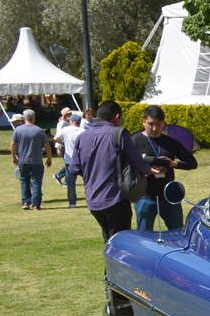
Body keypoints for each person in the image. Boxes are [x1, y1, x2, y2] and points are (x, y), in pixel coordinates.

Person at [65, 100, 161, 242]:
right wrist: (150, 170)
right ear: (116, 117)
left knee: (109, 239)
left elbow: (74, 168)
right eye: (121, 119)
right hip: (115, 198)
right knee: (120, 242)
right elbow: (137, 161)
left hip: (93, 199)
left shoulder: (82, 137)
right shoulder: (119, 134)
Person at [132, 105, 198, 231]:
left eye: (159, 124)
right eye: (151, 124)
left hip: (169, 195)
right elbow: (126, 167)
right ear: (143, 121)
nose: (155, 128)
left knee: (177, 232)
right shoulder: (135, 141)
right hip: (145, 196)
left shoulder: (171, 142)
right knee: (145, 235)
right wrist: (147, 171)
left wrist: (173, 164)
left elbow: (192, 163)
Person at [10, 109, 53, 210]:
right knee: (37, 182)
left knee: (24, 181)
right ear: (34, 118)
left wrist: (13, 157)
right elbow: (47, 146)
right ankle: (36, 205)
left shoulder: (18, 130)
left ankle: (25, 202)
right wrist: (49, 158)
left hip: (23, 160)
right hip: (37, 161)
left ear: (24, 118)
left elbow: (13, 144)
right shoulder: (39, 130)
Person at [55, 113, 84, 208]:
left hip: (69, 160)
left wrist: (63, 143)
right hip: (82, 160)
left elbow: (56, 138)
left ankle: (72, 203)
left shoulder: (66, 130)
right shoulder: (83, 131)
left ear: (72, 121)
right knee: (88, 181)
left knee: (71, 183)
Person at [53, 107, 74, 186]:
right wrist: (59, 147)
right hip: (63, 146)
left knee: (70, 163)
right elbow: (58, 136)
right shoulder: (61, 124)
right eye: (68, 114)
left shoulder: (68, 123)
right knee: (69, 164)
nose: (70, 115)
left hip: (67, 145)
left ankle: (59, 176)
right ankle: (65, 180)